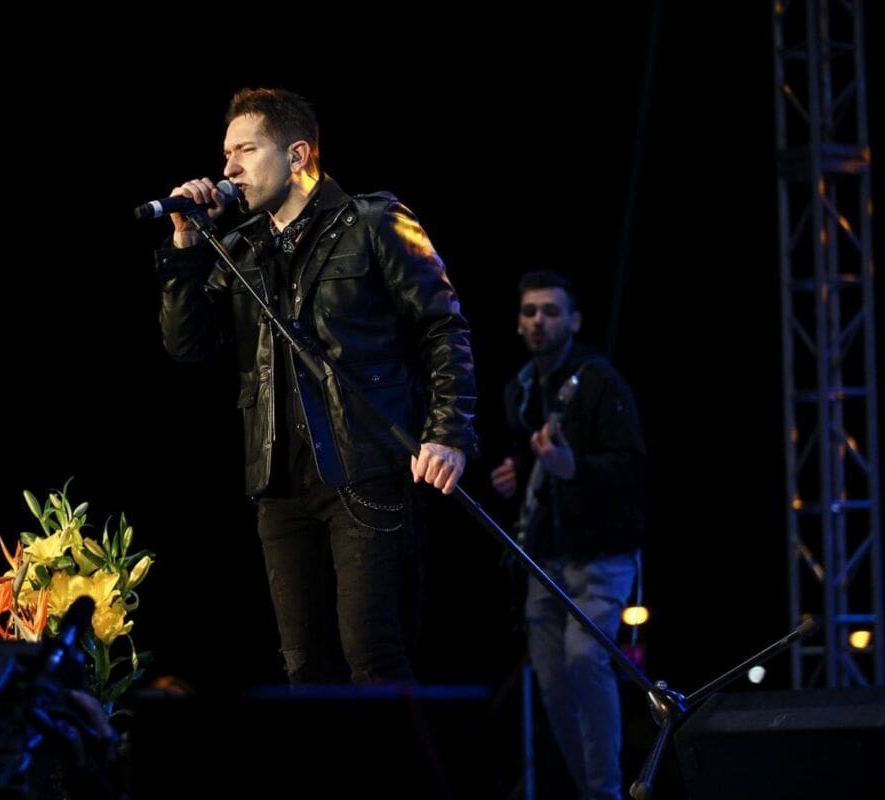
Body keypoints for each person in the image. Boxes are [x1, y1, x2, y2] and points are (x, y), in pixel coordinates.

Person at [153, 87, 478, 684]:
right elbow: (188, 346)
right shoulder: (240, 249)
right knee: (303, 665)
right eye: (226, 154)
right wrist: (185, 246)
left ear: (297, 154)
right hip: (280, 480)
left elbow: (443, 327)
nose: (229, 169)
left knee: (371, 653)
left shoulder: (375, 221)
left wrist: (448, 433)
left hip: (365, 465)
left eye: (245, 150)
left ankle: (404, 751)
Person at [489, 270, 644, 800]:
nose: (539, 321)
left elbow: (631, 466)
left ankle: (605, 792)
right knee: (553, 683)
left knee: (584, 659)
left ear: (574, 321)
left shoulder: (600, 383)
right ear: (518, 322)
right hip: (545, 559)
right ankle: (590, 790)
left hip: (600, 555)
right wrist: (516, 472)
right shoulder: (520, 389)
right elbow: (531, 458)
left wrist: (574, 468)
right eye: (530, 311)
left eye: (551, 311)